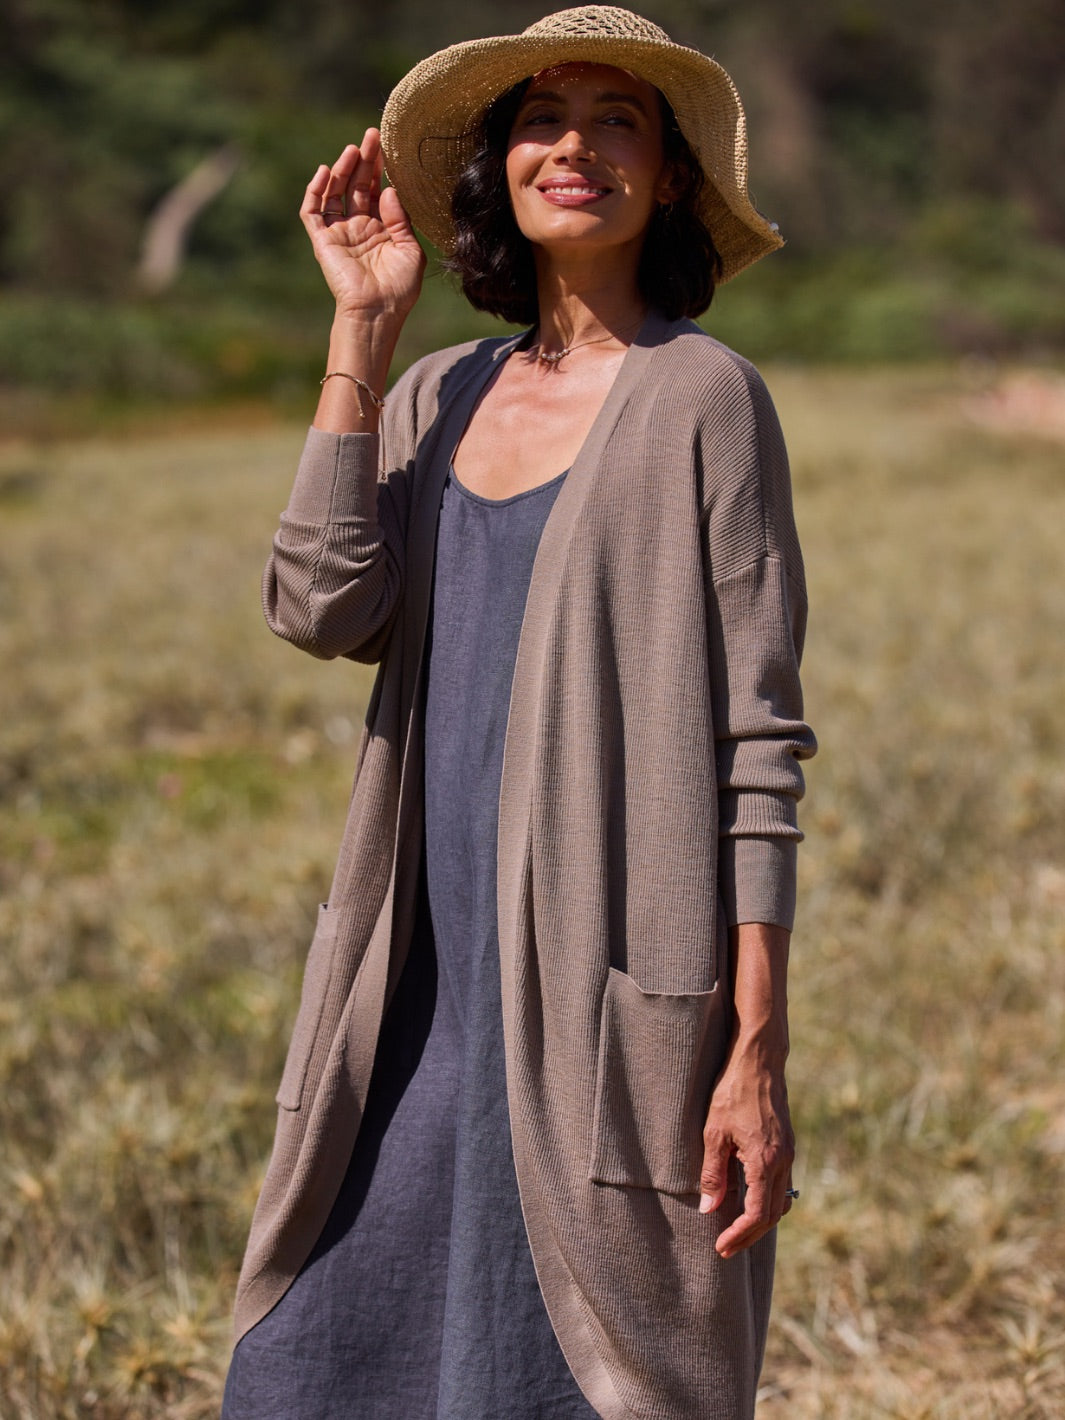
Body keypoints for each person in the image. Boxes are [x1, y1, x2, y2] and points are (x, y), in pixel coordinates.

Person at [222, 7, 816, 1419]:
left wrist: (754, 1048)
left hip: (603, 994)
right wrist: (363, 329)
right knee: (321, 1355)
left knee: (593, 1369)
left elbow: (760, 744)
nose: (575, 148)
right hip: (413, 983)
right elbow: (319, 605)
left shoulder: (705, 400)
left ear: (668, 176)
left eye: (619, 121)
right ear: (501, 169)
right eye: (543, 119)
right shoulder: (438, 392)